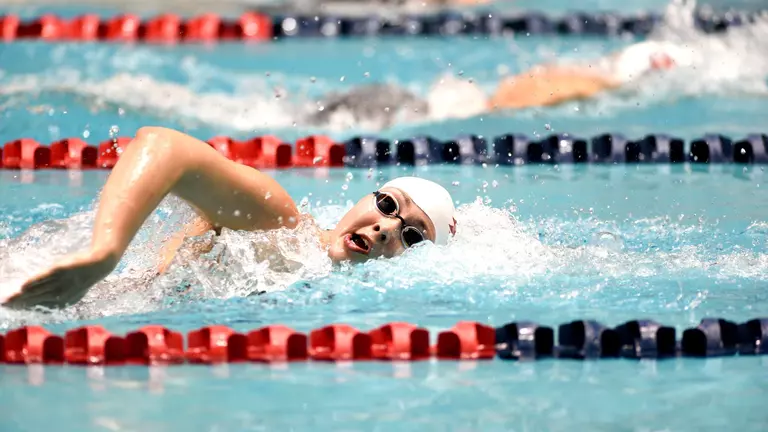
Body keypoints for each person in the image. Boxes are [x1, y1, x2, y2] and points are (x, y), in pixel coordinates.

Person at [0, 126, 457, 310]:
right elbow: (163, 146)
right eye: (388, 206)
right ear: (364, 199)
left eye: (412, 236)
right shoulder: (280, 226)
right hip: (45, 285)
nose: (386, 229)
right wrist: (105, 254)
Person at [306, 39, 698, 126]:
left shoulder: (573, 72)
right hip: (426, 111)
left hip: (422, 102)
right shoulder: (588, 85)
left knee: (313, 114)